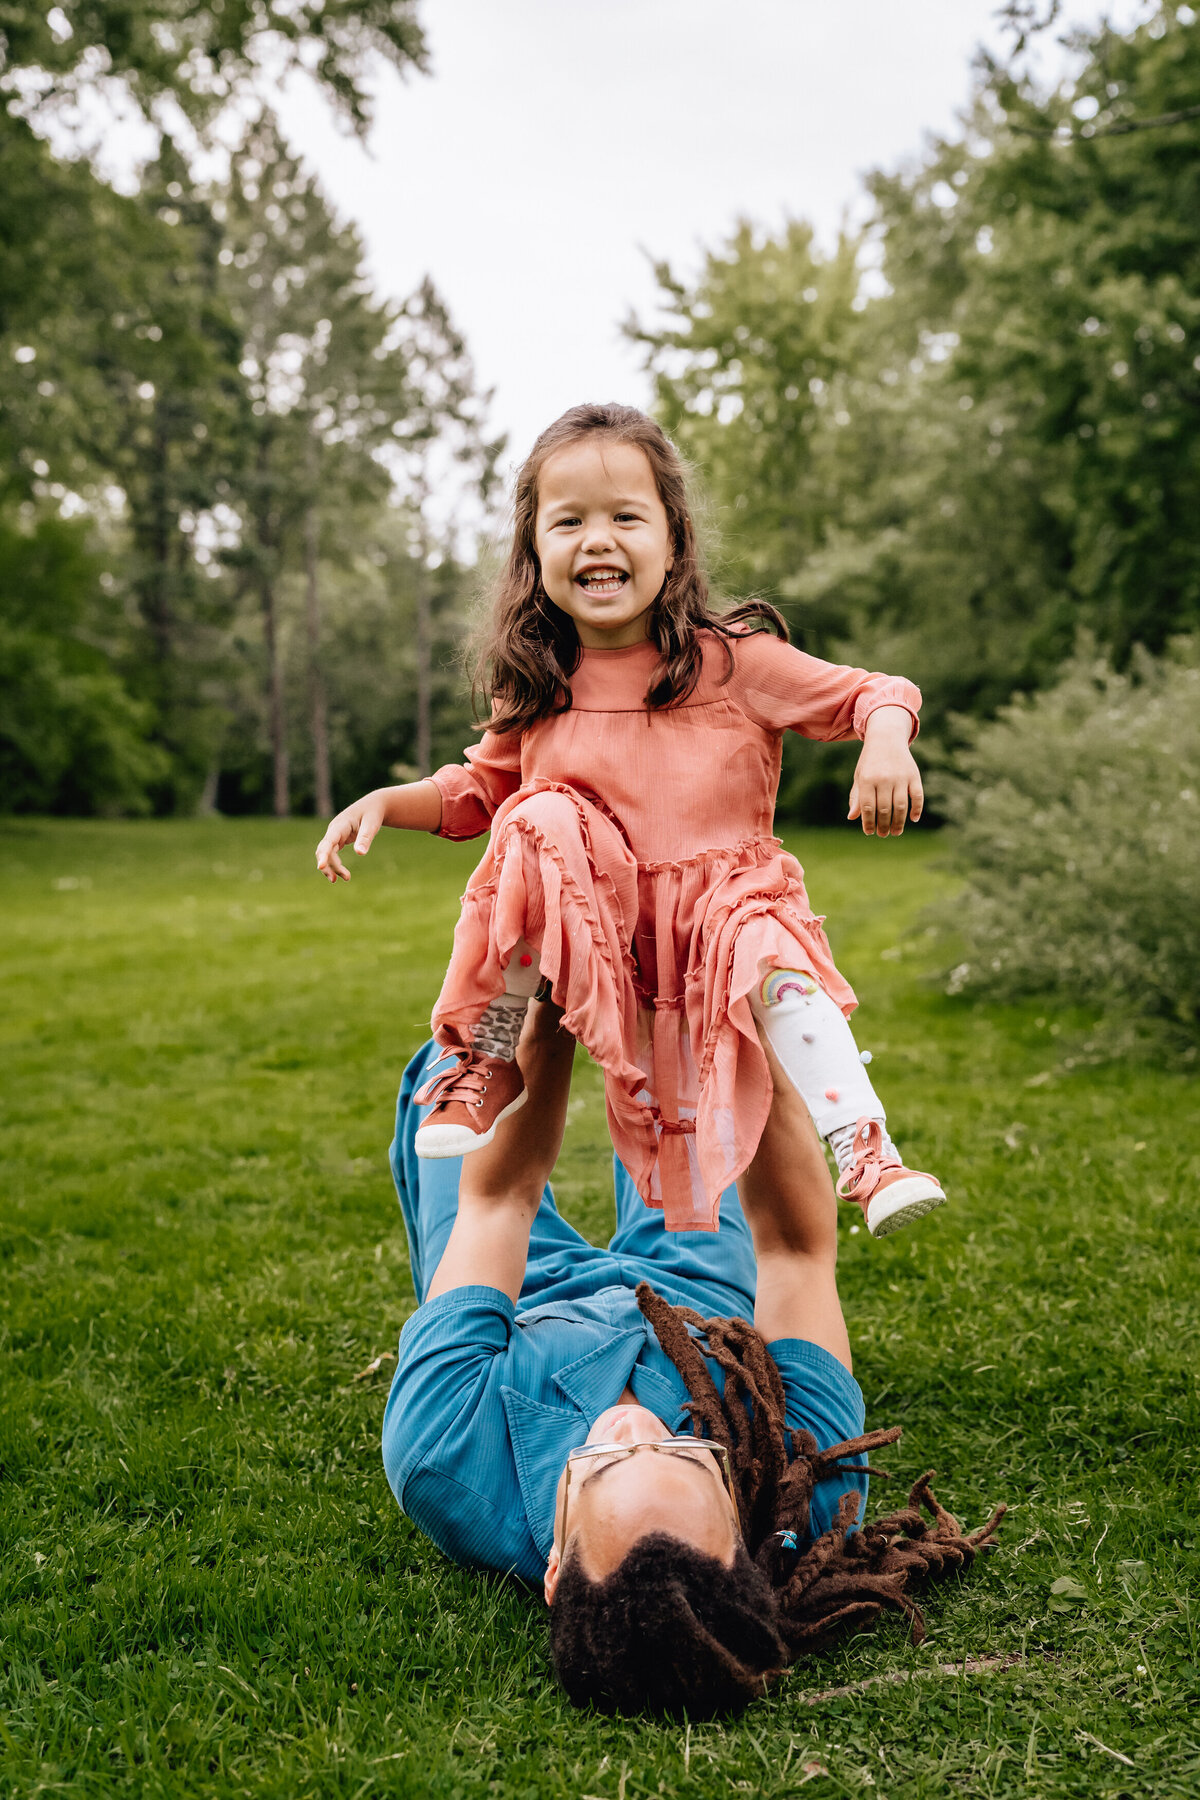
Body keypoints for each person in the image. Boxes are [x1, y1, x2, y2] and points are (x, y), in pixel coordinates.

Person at [318, 401, 944, 1241]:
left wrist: (886, 743)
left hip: (720, 932)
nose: (597, 539)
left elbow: (875, 692)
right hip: (593, 945)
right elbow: (481, 793)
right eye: (568, 520)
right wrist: (386, 804)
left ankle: (866, 1150)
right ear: (534, 550)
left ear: (674, 540)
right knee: (537, 822)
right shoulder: (540, 682)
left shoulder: (735, 661)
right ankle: (489, 1055)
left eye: (625, 517)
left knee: (778, 960)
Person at [382, 999, 1003, 1717]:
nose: (638, 1429)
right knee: (683, 1034)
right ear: (742, 1533)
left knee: (456, 1070)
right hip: (695, 1303)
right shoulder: (808, 1475)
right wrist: (741, 1037)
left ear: (554, 1571)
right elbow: (795, 1252)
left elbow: (500, 1200)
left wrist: (545, 1004)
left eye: (604, 1465)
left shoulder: (441, 1451)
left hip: (529, 1294)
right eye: (688, 1452)